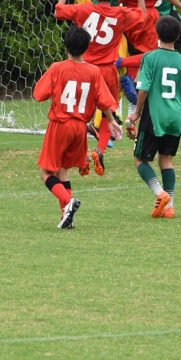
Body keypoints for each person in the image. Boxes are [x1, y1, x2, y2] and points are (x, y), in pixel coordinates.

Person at [54, 0, 150, 176]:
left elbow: (59, 12)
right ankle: (100, 149)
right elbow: (142, 15)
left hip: (85, 68)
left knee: (80, 112)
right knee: (109, 112)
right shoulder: (120, 13)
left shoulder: (85, 9)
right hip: (107, 70)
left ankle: (80, 155)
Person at [33, 27, 121, 229]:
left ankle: (68, 202)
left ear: (66, 46)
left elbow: (39, 95)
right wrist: (111, 120)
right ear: (87, 47)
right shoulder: (93, 71)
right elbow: (105, 101)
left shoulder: (57, 68)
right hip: (81, 128)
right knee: (63, 172)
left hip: (60, 124)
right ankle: (67, 218)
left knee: (46, 173)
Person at [132, 15, 181, 218]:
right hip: (174, 117)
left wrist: (137, 112)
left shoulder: (150, 58)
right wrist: (180, 113)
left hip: (153, 116)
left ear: (157, 34)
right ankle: (169, 207)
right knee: (166, 160)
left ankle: (161, 194)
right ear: (177, 36)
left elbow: (144, 88)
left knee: (140, 160)